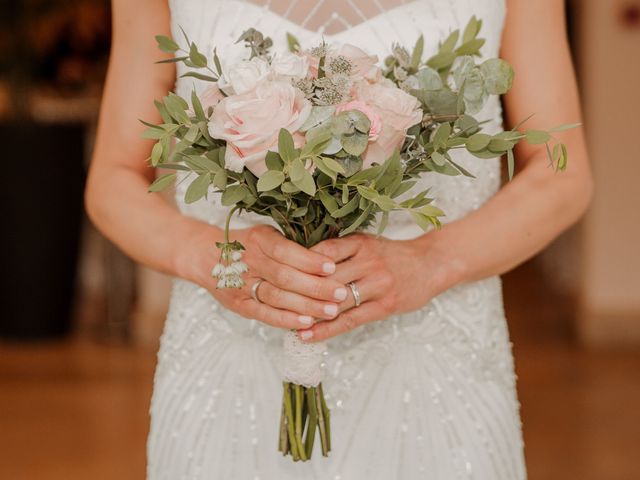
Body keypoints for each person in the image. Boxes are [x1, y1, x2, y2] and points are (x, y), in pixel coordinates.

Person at [86, 0, 593, 478]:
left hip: (436, 364)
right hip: (227, 361)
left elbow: (560, 174)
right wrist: (210, 257)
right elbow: (113, 178)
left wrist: (433, 261)